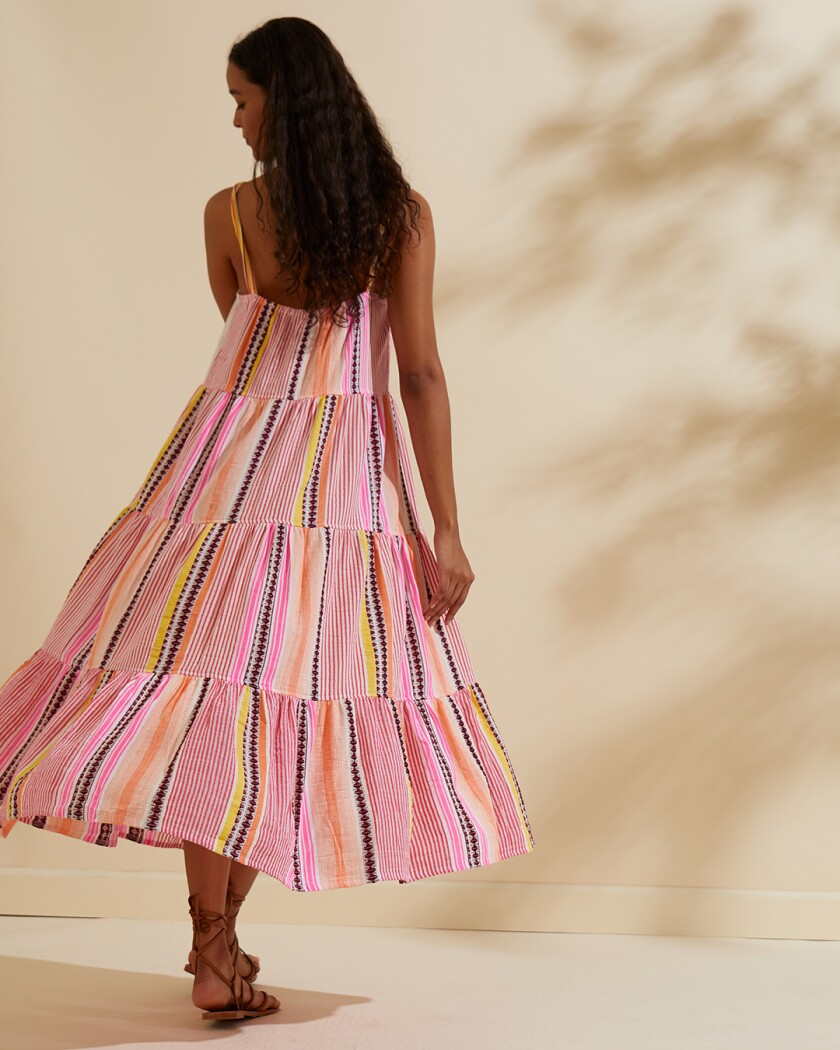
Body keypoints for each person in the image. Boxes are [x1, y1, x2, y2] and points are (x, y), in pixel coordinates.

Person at [0, 16, 536, 1023]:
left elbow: (245, 359)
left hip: (222, 484)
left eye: (243, 100)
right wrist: (446, 529)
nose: (237, 120)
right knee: (283, 705)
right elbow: (415, 373)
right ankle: (221, 946)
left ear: (284, 104)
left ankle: (213, 945)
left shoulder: (230, 217)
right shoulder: (400, 219)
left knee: (217, 702)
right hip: (344, 492)